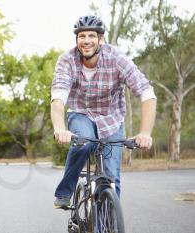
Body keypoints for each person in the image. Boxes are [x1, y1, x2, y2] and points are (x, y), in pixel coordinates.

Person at [51, 15, 157, 208]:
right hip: (81, 113)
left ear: (101, 39)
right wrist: (59, 128)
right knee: (82, 143)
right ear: (77, 40)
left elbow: (146, 92)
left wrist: (145, 132)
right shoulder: (67, 60)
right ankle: (65, 192)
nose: (86, 41)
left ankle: (106, 221)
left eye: (92, 35)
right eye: (82, 36)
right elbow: (58, 97)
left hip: (112, 119)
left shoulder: (116, 59)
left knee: (111, 178)